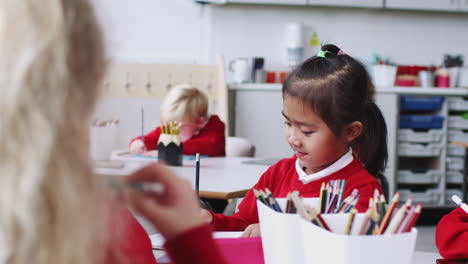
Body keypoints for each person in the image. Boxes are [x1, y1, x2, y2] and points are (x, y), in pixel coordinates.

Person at [0, 0, 226, 264]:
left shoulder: (214, 127)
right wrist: (189, 239)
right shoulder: (107, 226)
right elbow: (148, 138)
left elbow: (210, 146)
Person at [201, 44, 388, 237]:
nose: (293, 139)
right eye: (288, 123)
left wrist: (274, 233)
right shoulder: (278, 174)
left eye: (307, 131)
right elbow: (243, 223)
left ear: (350, 131)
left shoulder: (363, 190)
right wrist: (211, 220)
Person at [129, 84, 226, 157]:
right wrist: (138, 143)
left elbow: (211, 146)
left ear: (199, 122)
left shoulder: (214, 125)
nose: (173, 132)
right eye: (169, 126)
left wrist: (169, 150)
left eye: (180, 128)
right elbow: (150, 139)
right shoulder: (170, 130)